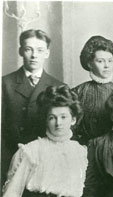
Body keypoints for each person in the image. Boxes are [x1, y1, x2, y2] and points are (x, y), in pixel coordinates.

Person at [0, 85, 103, 197]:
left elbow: (80, 192)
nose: (58, 123)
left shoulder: (80, 152)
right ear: (45, 120)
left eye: (64, 117)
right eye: (52, 117)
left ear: (73, 119)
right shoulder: (31, 151)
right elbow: (11, 196)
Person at [2, 29, 66, 184]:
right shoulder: (5, 84)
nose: (34, 55)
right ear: (20, 51)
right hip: (8, 158)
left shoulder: (58, 86)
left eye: (40, 50)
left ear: (47, 53)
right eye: (28, 49)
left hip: (44, 161)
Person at [73, 35, 113, 145]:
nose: (106, 66)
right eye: (100, 61)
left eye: (110, 61)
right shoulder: (77, 92)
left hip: (112, 149)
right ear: (90, 64)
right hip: (84, 148)